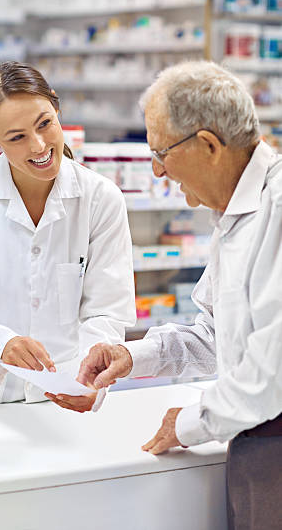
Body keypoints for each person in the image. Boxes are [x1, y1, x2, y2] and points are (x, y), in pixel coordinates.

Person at [77, 61, 282, 530]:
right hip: (253, 443)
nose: (156, 169)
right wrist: (132, 356)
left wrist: (190, 423)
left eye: (161, 152)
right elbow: (217, 335)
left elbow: (270, 373)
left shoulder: (277, 212)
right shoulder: (234, 214)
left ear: (209, 145)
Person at [0, 61, 136, 412]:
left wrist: (90, 376)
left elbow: (106, 312)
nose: (39, 146)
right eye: (17, 137)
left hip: (61, 400)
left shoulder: (100, 199)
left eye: (45, 124)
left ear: (56, 108)